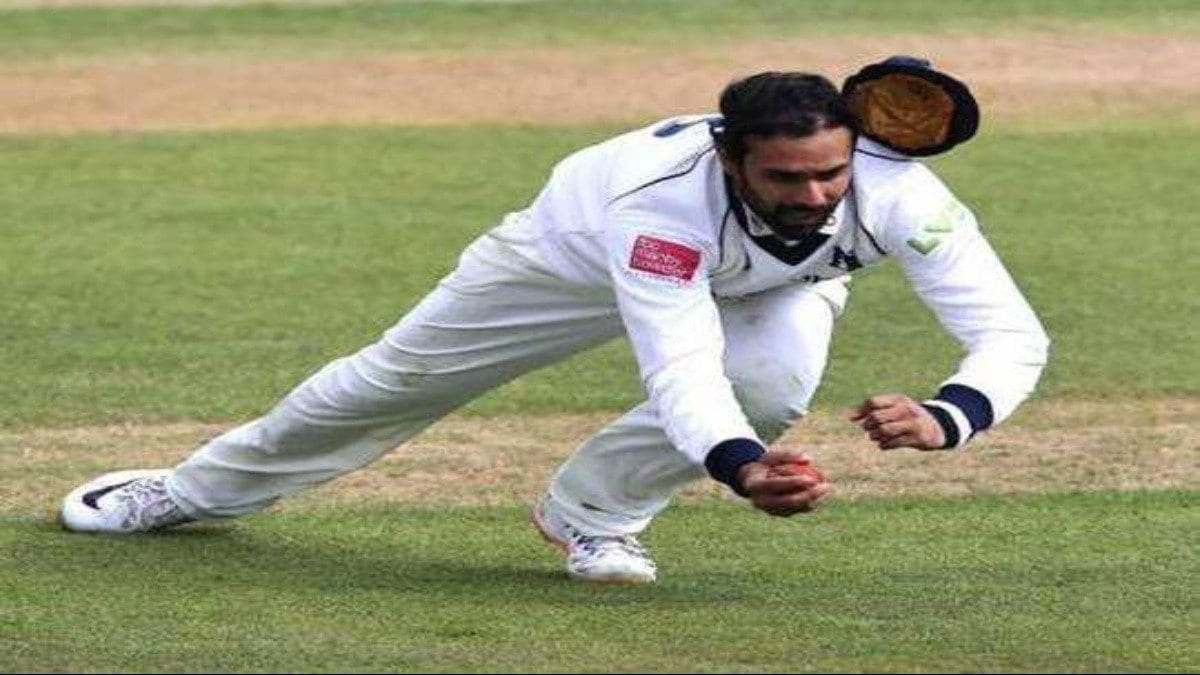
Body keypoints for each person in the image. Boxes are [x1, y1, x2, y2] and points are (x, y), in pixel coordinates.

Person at [60, 65, 1049, 585]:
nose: (815, 192)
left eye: (831, 172)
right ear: (730, 156)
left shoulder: (900, 196)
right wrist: (743, 467)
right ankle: (187, 493)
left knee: (776, 385)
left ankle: (592, 516)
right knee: (389, 386)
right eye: (786, 177)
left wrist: (951, 414)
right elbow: (679, 363)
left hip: (770, 283)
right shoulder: (662, 205)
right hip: (565, 262)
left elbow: (1011, 334)